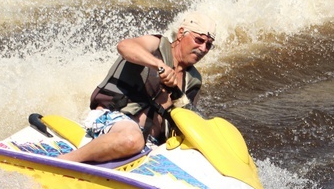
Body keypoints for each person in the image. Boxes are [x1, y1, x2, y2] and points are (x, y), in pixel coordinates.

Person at [59, 12, 216, 163]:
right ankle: (66, 161)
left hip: (150, 143)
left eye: (208, 45)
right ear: (181, 33)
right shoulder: (156, 45)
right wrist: (159, 66)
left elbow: (187, 120)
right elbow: (125, 46)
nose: (203, 49)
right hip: (112, 120)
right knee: (132, 139)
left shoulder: (193, 80)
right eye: (199, 40)